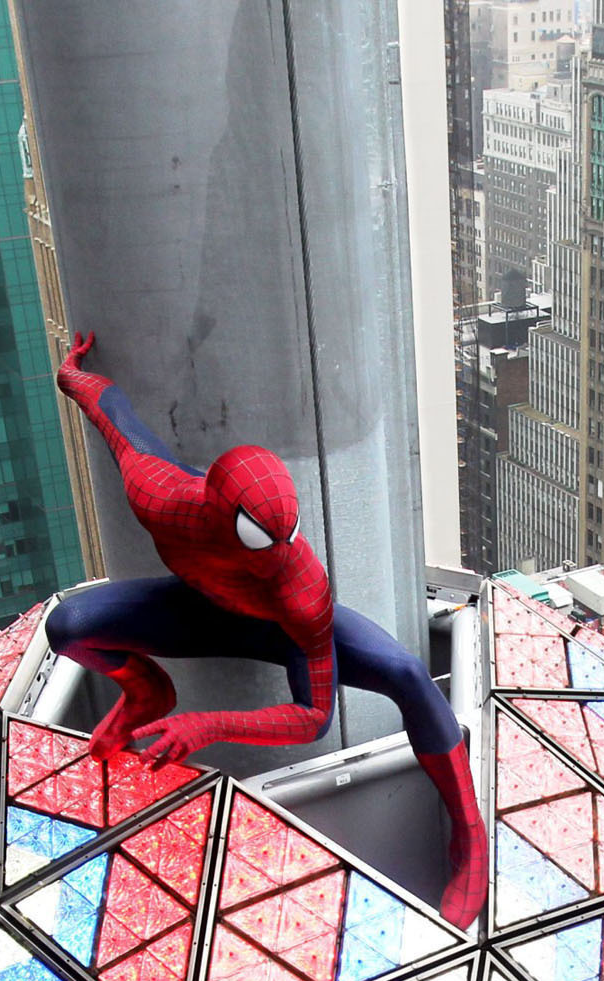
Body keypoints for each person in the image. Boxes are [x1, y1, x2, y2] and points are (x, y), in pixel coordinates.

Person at [46, 330, 488, 927]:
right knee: (70, 626)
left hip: (283, 631)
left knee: (408, 674)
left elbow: (313, 718)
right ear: (219, 512)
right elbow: (115, 418)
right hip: (198, 609)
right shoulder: (161, 495)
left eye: (288, 532)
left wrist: (210, 725)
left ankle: (468, 831)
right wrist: (72, 375)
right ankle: (146, 691)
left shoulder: (300, 581)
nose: (281, 552)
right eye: (261, 536)